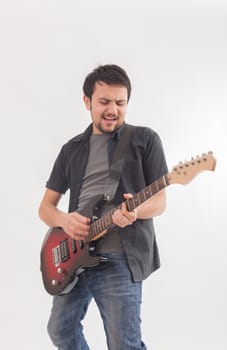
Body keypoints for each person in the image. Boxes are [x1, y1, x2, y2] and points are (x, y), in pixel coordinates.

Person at [38, 64, 168, 350]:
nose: (113, 110)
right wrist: (64, 220)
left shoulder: (145, 140)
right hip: (73, 257)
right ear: (87, 102)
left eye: (120, 103)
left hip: (120, 258)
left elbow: (159, 202)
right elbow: (45, 208)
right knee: (60, 330)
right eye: (105, 101)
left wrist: (134, 212)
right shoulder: (71, 148)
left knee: (124, 344)